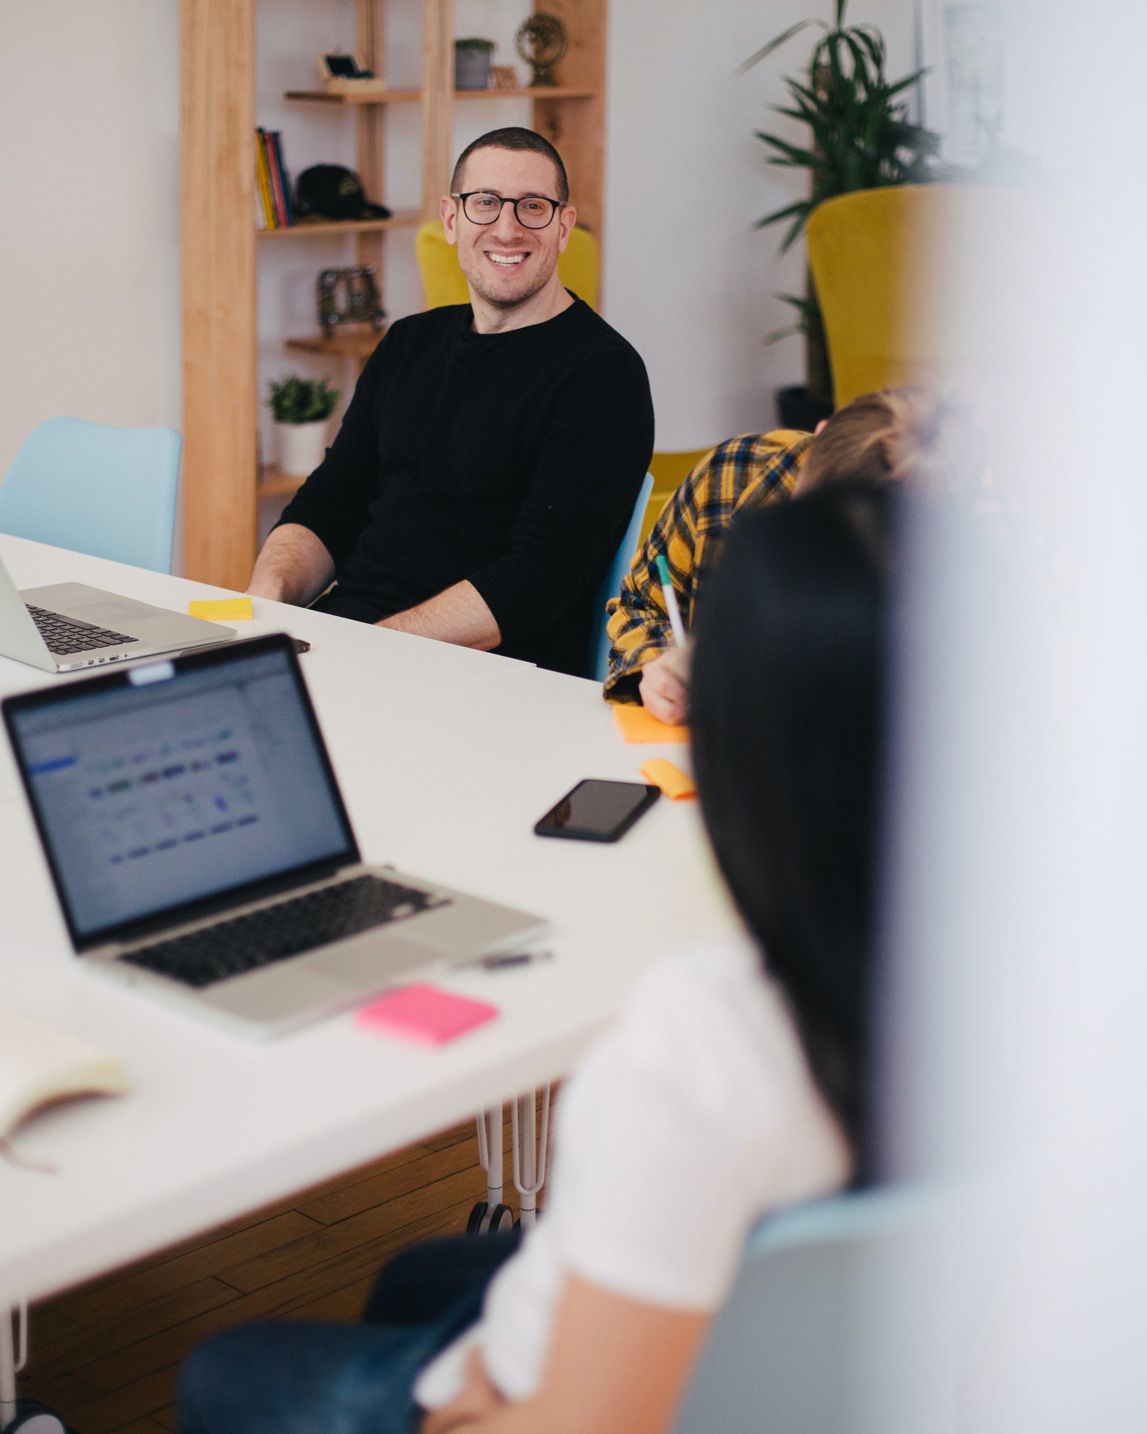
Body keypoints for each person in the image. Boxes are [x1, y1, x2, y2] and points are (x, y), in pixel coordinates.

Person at [178, 483, 894, 1434]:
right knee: (413, 1274)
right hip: (812, 1361)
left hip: (549, 1394)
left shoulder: (705, 1036)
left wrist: (459, 1415)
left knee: (224, 1370)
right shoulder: (1025, 979)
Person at [248, 127, 655, 677]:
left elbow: (539, 576)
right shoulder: (407, 343)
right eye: (484, 203)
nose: (506, 229)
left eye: (532, 207)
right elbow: (330, 502)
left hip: (487, 674)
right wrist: (262, 606)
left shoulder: (603, 375)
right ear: (451, 219)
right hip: (353, 647)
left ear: (563, 226)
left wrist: (367, 645)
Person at [606, 386, 960, 724]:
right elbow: (638, 603)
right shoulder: (734, 476)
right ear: (819, 434)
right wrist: (657, 665)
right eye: (807, 518)